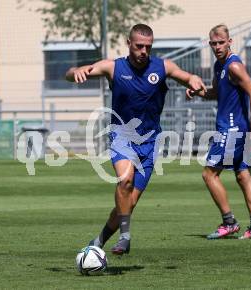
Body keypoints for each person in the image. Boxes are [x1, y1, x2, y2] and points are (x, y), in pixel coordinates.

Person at [66, 24, 206, 255]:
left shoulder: (162, 67)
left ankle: (97, 242)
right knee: (125, 181)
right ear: (128, 43)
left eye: (148, 47)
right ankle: (125, 236)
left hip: (150, 143)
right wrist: (76, 71)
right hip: (122, 135)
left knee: (127, 204)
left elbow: (187, 77)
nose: (143, 51)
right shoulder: (114, 67)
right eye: (139, 46)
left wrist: (193, 80)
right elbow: (70, 73)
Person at [186, 24, 251, 240]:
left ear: (230, 42)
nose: (217, 47)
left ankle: (229, 221)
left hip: (232, 129)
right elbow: (216, 93)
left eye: (221, 42)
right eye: (213, 43)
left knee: (209, 174)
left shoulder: (234, 66)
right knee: (243, 175)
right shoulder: (218, 66)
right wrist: (198, 92)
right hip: (237, 129)